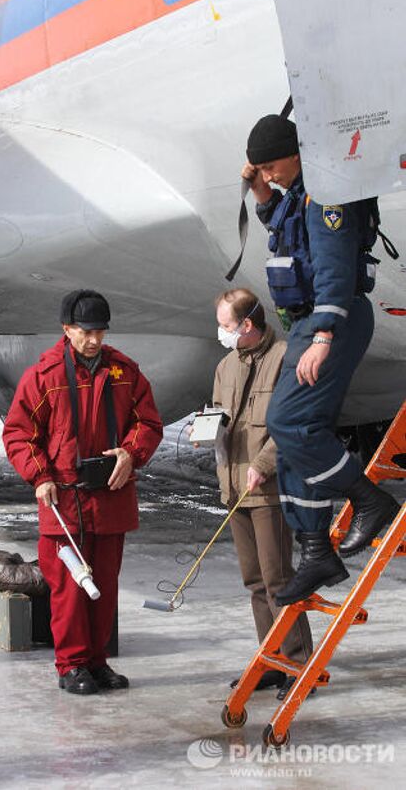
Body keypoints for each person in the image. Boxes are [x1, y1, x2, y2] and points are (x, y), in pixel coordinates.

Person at [242, 115, 399, 604]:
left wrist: (325, 334)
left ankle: (369, 499)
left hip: (334, 319)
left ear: (297, 154)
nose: (267, 174)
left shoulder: (327, 194)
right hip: (308, 325)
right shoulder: (298, 195)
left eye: (272, 166)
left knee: (290, 423)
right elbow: (288, 229)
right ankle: (315, 550)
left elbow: (332, 267)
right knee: (290, 443)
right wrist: (261, 194)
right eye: (260, 169)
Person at [3, 289, 163, 694]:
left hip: (110, 495)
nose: (94, 339)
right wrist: (39, 476)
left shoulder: (124, 372)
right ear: (67, 329)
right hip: (64, 502)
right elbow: (19, 433)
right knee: (70, 589)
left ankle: (97, 662)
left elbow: (148, 423)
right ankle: (71, 664)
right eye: (85, 331)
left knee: (104, 585)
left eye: (100, 331)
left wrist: (130, 454)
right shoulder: (46, 376)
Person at [212, 288, 312, 699]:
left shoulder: (285, 358)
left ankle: (299, 663)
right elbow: (218, 414)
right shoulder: (225, 366)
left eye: (226, 326)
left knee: (278, 579)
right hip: (234, 487)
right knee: (254, 581)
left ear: (247, 325)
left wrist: (263, 465)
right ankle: (270, 658)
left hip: (268, 487)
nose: (222, 333)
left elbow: (293, 421)